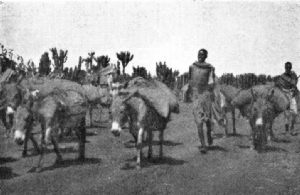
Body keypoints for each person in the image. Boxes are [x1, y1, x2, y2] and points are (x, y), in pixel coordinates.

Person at [189, 49, 224, 153]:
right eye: (199, 54)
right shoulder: (192, 67)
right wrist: (191, 92)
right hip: (196, 97)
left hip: (206, 96)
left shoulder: (209, 68)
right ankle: (203, 146)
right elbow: (190, 80)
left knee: (207, 120)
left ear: (205, 56)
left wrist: (210, 89)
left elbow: (212, 81)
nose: (200, 56)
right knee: (199, 122)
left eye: (202, 55)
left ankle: (209, 134)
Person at [275, 62, 298, 134]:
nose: (288, 69)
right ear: (285, 68)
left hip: (291, 94)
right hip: (284, 95)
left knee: (294, 113)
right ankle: (287, 130)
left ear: (291, 68)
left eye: (289, 68)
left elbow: (295, 84)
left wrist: (294, 85)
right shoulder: (282, 76)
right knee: (287, 114)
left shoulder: (293, 75)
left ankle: (292, 129)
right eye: (287, 68)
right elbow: (279, 85)